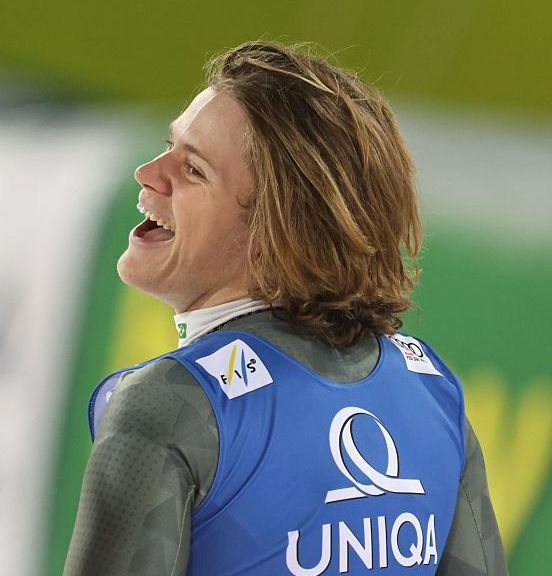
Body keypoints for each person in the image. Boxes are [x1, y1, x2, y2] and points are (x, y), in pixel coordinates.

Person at [63, 41, 507, 576]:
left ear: (274, 234)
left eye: (194, 170)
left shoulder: (173, 405)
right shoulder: (434, 391)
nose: (148, 172)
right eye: (167, 146)